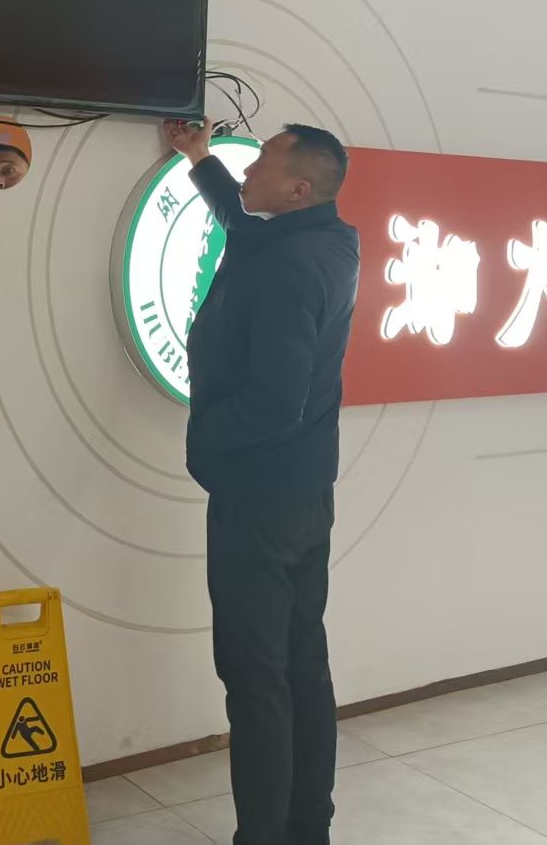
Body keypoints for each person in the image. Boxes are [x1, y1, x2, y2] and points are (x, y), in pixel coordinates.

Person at [163, 118, 360, 845]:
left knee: (256, 680)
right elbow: (245, 226)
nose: (251, 165)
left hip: (257, 500)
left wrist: (205, 443)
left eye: (265, 159)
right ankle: (309, 828)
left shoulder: (289, 266)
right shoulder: (328, 241)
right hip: (306, 493)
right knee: (303, 667)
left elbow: (278, 401)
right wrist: (201, 162)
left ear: (298, 188)